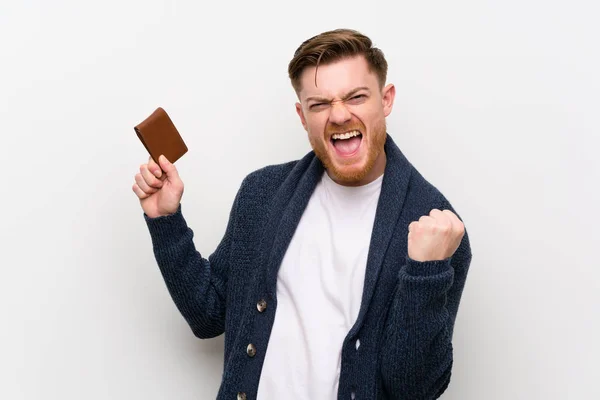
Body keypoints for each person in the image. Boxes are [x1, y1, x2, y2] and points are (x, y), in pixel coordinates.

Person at [132, 28, 472, 400]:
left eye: (356, 97)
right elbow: (208, 315)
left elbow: (413, 388)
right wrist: (166, 222)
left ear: (386, 99)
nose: (339, 115)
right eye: (320, 103)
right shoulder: (261, 194)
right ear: (302, 114)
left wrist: (426, 274)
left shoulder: (438, 230)